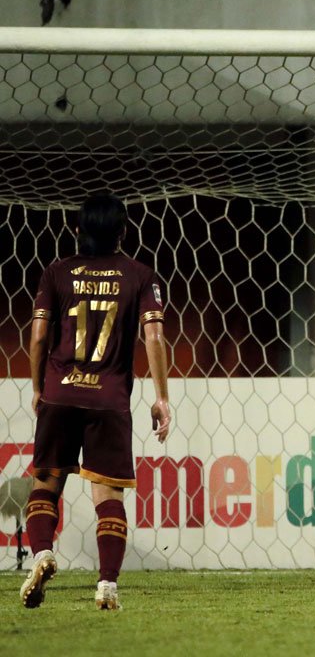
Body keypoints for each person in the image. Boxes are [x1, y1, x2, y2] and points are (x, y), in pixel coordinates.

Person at [20, 193, 172, 610]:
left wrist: (37, 387)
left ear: (77, 231)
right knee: (108, 495)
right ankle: (106, 585)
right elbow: (154, 336)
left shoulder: (56, 273)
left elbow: (36, 336)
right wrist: (162, 398)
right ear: (123, 232)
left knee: (46, 483)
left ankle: (43, 554)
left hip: (60, 391)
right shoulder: (140, 275)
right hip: (108, 400)